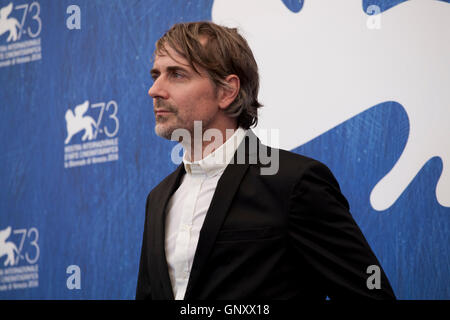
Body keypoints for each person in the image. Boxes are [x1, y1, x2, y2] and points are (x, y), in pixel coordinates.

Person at [136, 21, 396, 300]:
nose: (154, 90)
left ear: (226, 91)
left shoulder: (294, 183)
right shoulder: (158, 198)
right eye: (156, 75)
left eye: (177, 75)